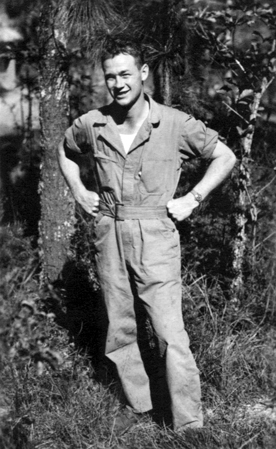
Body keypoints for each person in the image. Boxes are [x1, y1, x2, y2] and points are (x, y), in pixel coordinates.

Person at [57, 37, 236, 432]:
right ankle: (139, 408)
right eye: (110, 76)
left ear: (143, 74)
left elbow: (225, 155)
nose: (118, 83)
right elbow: (65, 151)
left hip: (155, 231)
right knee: (120, 325)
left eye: (125, 74)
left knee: (169, 330)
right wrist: (78, 189)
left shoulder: (174, 123)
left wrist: (194, 197)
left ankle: (188, 424)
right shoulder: (93, 123)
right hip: (109, 230)